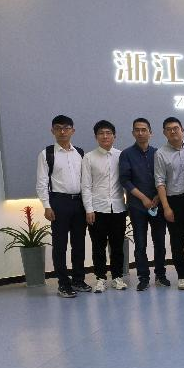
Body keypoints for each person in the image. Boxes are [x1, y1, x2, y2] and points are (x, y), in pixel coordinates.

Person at [35, 114, 89, 298]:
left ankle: (78, 280)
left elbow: (85, 181)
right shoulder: (47, 154)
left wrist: (88, 205)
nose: (62, 131)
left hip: (79, 203)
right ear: (52, 131)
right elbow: (42, 183)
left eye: (66, 128)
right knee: (60, 245)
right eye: (58, 128)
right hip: (59, 202)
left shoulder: (80, 153)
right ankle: (63, 284)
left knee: (79, 243)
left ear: (73, 130)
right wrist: (46, 206)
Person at [119, 117, 167, 292]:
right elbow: (125, 180)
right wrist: (144, 199)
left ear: (150, 133)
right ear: (133, 133)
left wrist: (157, 197)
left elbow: (165, 178)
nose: (140, 133)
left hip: (157, 204)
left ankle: (160, 275)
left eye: (144, 130)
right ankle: (143, 277)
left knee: (160, 242)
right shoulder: (126, 154)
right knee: (140, 244)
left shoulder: (158, 153)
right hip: (137, 206)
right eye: (137, 130)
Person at [154, 117, 184, 290]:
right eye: (169, 129)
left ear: (182, 130)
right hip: (173, 201)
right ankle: (182, 275)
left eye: (176, 128)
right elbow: (160, 182)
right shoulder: (160, 154)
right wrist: (166, 207)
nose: (173, 131)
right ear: (164, 133)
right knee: (177, 241)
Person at [81, 120, 127, 293]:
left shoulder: (121, 156)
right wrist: (89, 209)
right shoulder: (89, 157)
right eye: (101, 133)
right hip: (97, 209)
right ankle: (100, 278)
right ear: (96, 136)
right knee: (98, 246)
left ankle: (117, 277)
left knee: (117, 245)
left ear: (114, 136)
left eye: (108, 133)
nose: (105, 136)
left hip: (118, 208)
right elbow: (86, 186)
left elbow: (126, 182)